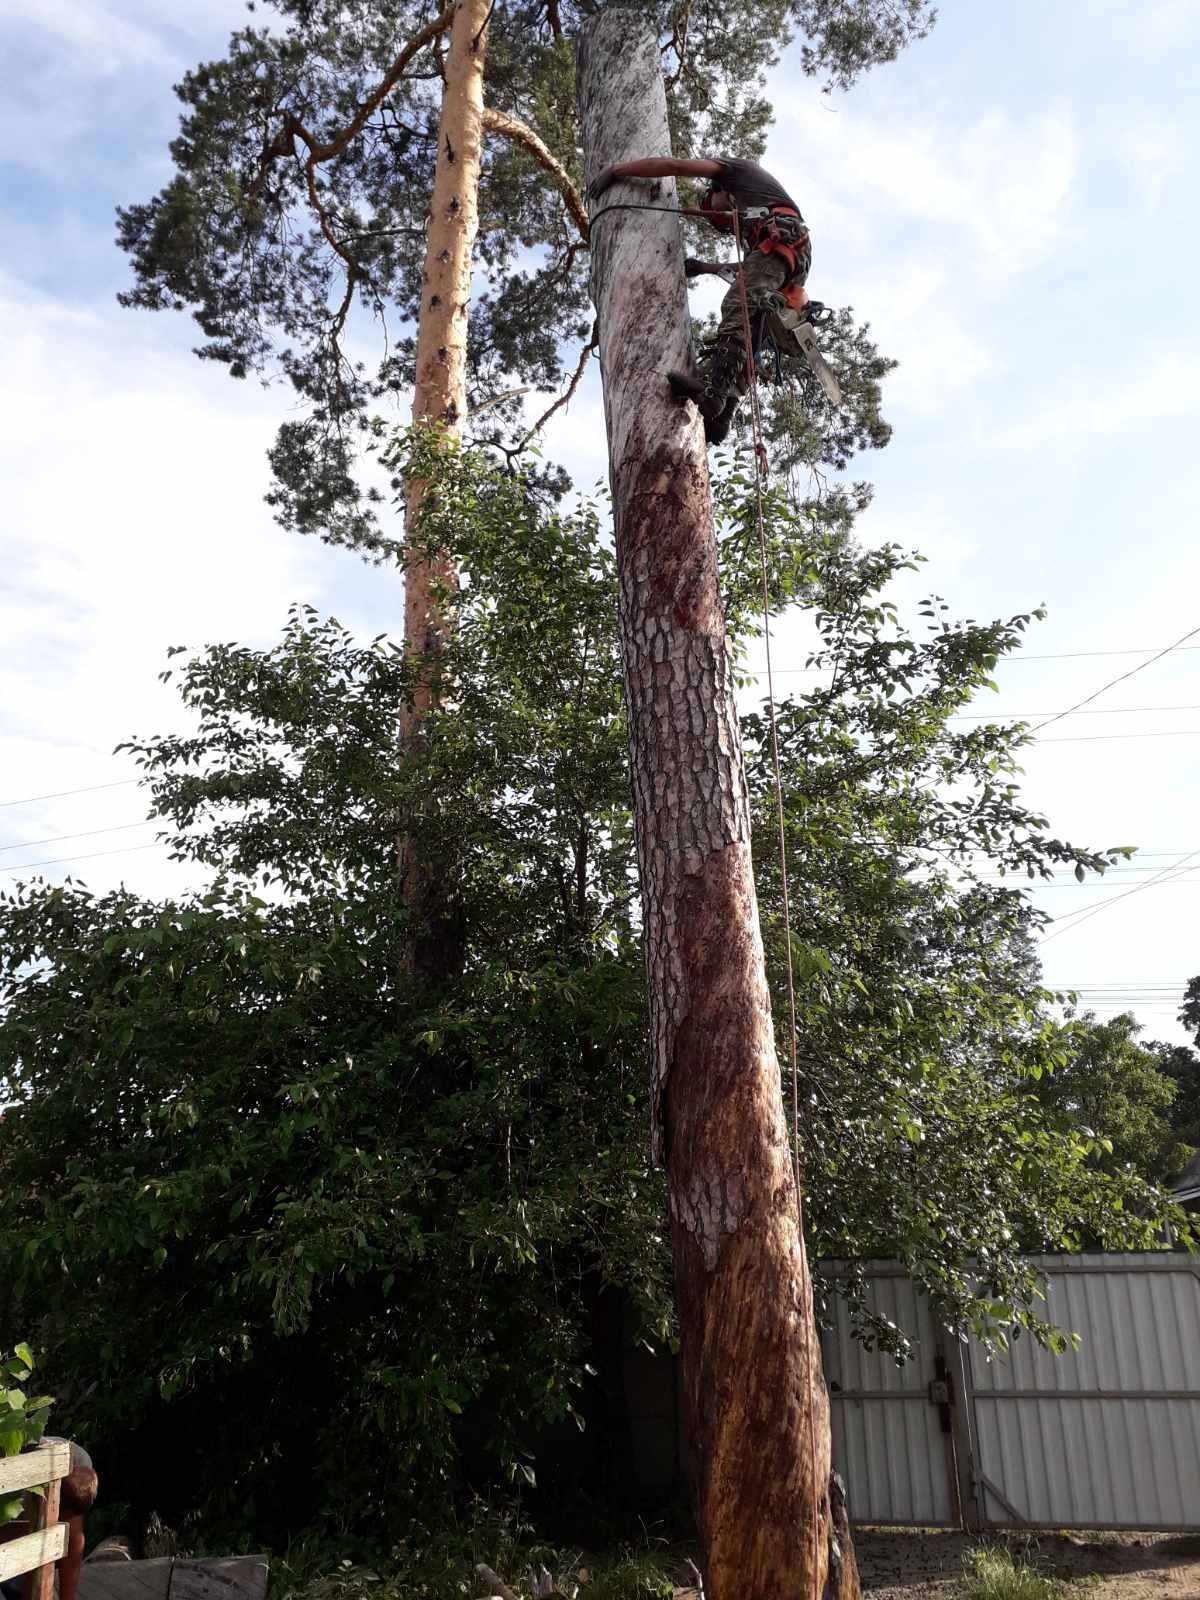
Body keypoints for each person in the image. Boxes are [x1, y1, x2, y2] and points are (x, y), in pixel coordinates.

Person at [587, 156, 811, 442]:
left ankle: (714, 394)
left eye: (712, 209)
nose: (718, 220)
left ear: (717, 190)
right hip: (791, 252)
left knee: (737, 306)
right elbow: (752, 271)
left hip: (785, 238)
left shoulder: (737, 171)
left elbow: (673, 166)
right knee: (753, 328)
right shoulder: (755, 216)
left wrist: (617, 170)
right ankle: (723, 414)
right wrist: (705, 268)